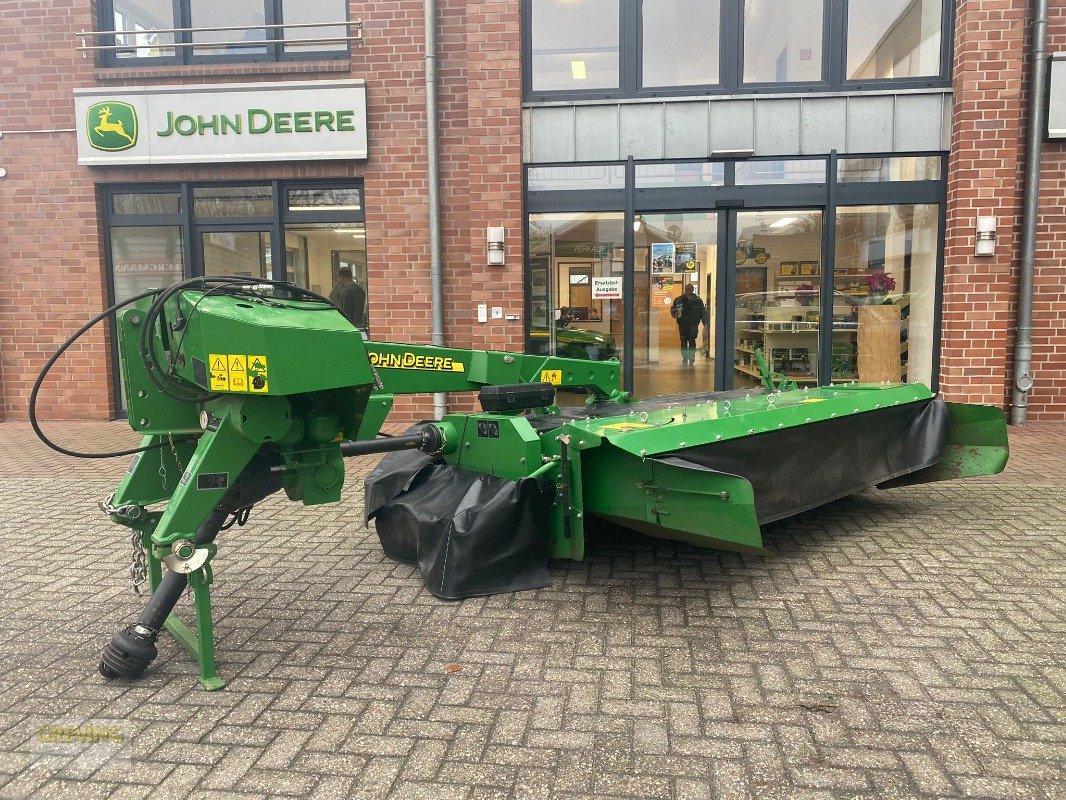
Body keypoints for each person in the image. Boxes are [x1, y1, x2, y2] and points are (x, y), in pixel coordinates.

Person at [670, 283, 705, 366]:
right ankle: (686, 358)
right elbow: (674, 311)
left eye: (690, 289)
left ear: (692, 290)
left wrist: (705, 322)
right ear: (685, 290)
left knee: (690, 341)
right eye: (687, 289)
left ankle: (690, 358)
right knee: (685, 341)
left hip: (692, 323)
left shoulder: (696, 300)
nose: (689, 291)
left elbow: (702, 311)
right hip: (685, 324)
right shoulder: (680, 299)